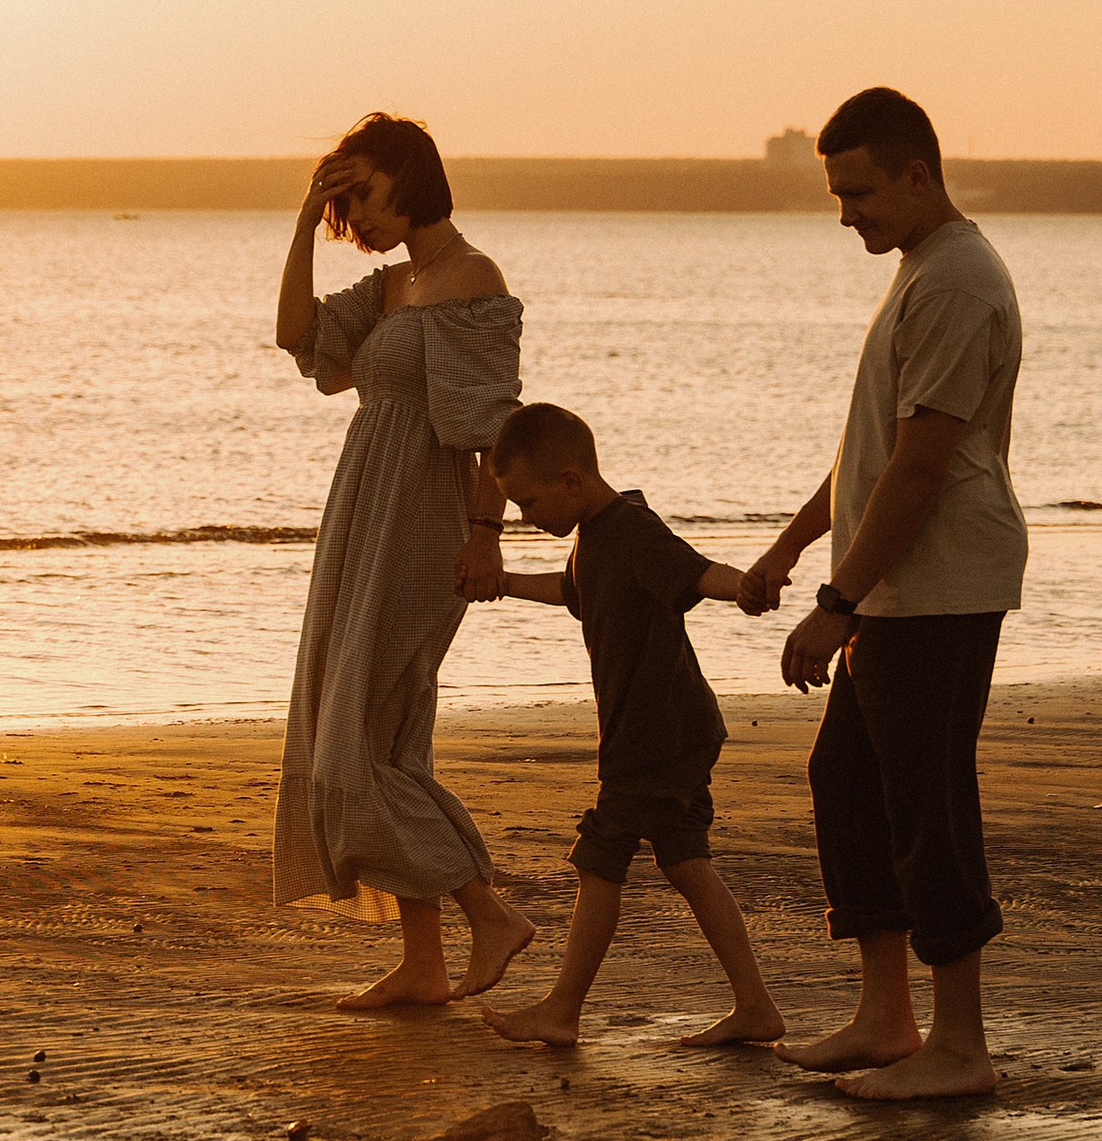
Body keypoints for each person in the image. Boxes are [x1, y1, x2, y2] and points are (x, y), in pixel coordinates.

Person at [739, 87, 1026, 1102]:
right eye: (834, 193)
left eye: (858, 191)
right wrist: (784, 551)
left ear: (917, 173)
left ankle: (958, 1044)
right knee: (849, 783)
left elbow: (920, 466)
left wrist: (837, 600)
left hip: (939, 586)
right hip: (897, 587)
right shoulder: (920, 274)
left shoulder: (953, 283)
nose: (844, 212)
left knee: (926, 803)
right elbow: (868, 455)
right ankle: (885, 1015)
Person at [272, 113, 539, 1009]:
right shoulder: (392, 289)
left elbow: (492, 428)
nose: (362, 221)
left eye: (366, 197)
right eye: (347, 208)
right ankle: (424, 962)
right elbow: (295, 333)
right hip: (360, 515)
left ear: (411, 177)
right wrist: (306, 220)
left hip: (424, 519)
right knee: (375, 735)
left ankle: (488, 913)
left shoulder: (472, 281)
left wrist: (484, 536)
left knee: (355, 749)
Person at [475, 401, 783, 1051]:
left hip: (657, 732)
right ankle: (755, 1007)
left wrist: (748, 587)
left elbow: (700, 573)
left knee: (601, 856)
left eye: (529, 504)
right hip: (661, 729)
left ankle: (562, 1009)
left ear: (571, 481)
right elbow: (573, 593)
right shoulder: (593, 538)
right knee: (686, 860)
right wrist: (503, 582)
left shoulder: (632, 529)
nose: (528, 518)